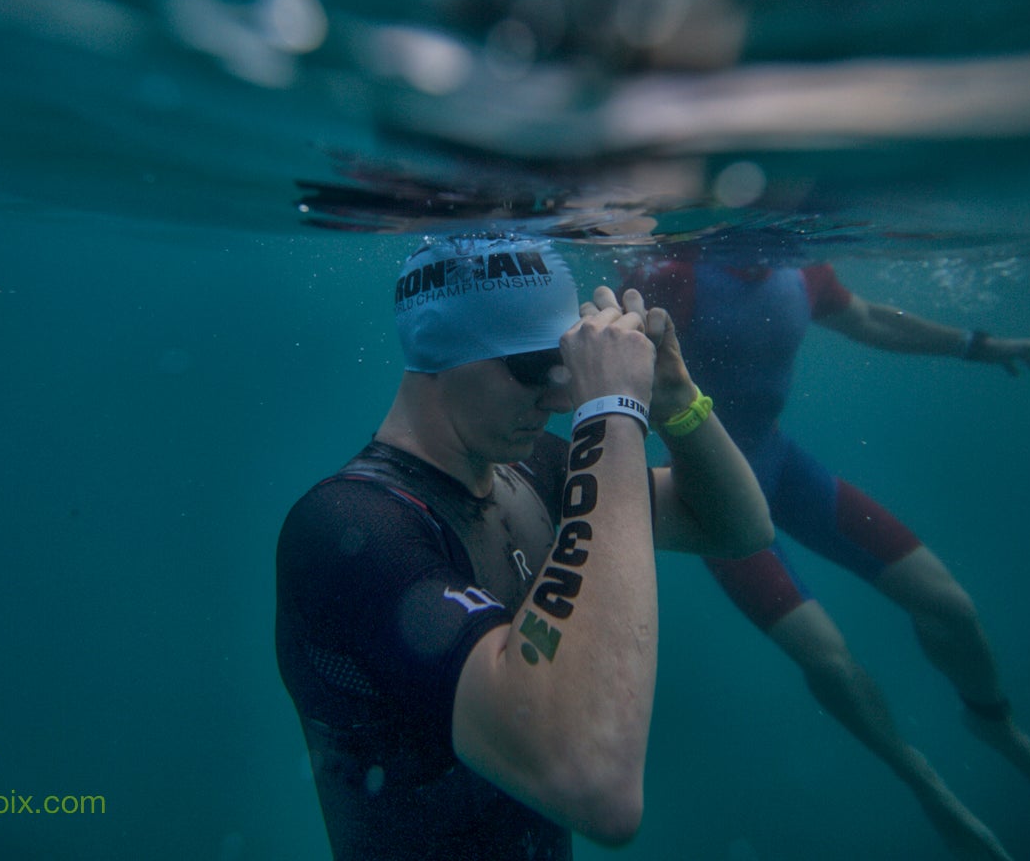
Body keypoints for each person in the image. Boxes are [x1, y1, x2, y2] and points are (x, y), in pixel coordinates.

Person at [276, 235, 775, 860]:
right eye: (536, 368)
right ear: (439, 350)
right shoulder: (348, 531)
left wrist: (673, 397)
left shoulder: (533, 467)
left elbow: (736, 526)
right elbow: (597, 789)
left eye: (569, 366)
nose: (563, 398)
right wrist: (613, 412)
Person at [630, 254, 1030, 860]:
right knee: (828, 659)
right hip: (710, 499)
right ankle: (926, 783)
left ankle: (996, 725)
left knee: (950, 606)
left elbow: (871, 321)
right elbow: (618, 360)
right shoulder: (677, 271)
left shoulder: (801, 268)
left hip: (780, 466)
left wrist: (978, 346)